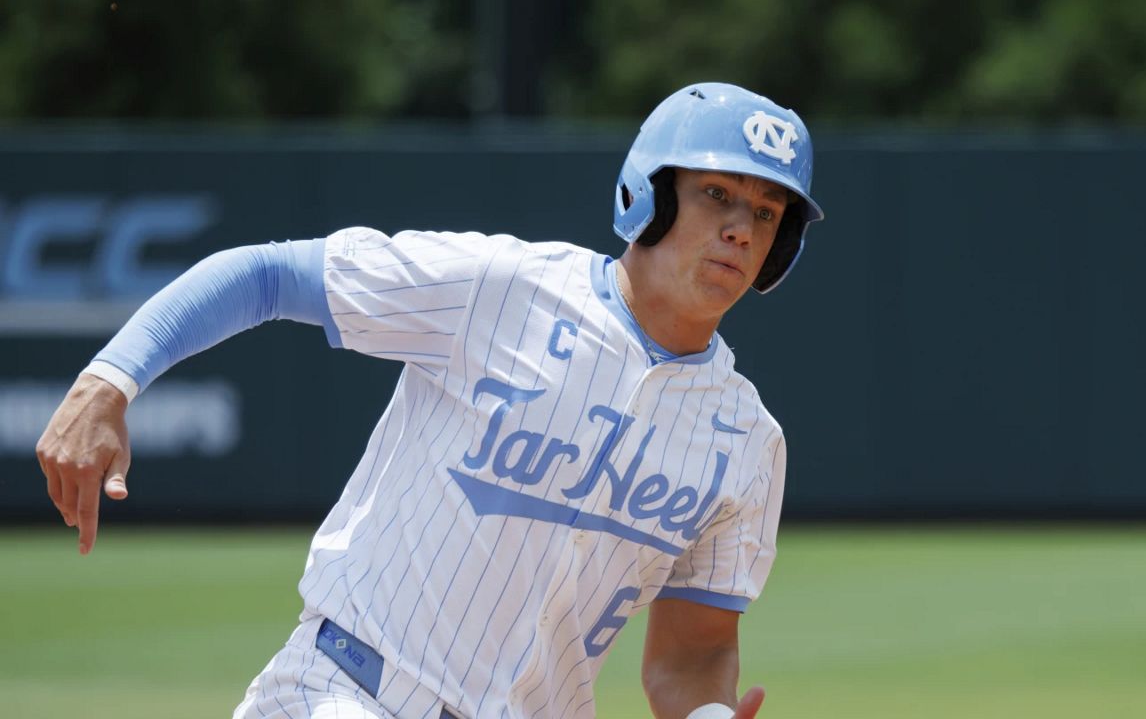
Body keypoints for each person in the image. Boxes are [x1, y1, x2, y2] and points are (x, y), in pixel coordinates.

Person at [36, 82, 823, 719]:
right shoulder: (502, 288)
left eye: (765, 212)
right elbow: (270, 275)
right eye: (716, 193)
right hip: (346, 694)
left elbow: (691, 656)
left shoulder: (747, 441)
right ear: (646, 195)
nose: (739, 229)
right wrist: (109, 379)